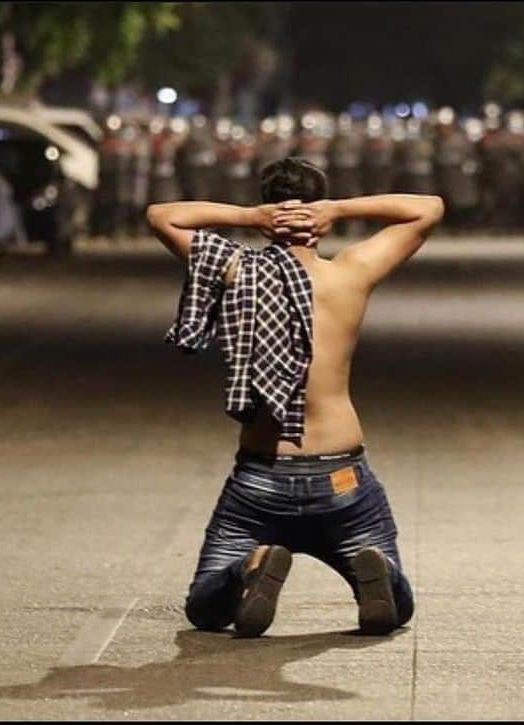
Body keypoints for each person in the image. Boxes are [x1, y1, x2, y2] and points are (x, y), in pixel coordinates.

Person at [146, 157, 443, 637]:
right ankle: (378, 572)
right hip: (342, 478)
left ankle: (252, 564)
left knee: (206, 609)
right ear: (319, 216)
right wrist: (337, 210)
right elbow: (428, 208)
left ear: (269, 217)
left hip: (261, 478)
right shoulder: (350, 273)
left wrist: (250, 217)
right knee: (399, 604)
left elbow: (162, 215)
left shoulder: (236, 269)